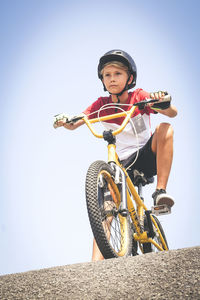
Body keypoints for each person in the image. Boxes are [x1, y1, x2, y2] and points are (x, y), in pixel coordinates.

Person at [54, 49, 178, 261]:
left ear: (129, 78)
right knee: (104, 210)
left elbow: (172, 112)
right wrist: (65, 121)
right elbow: (76, 123)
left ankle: (160, 192)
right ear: (102, 79)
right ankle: (95, 267)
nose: (112, 79)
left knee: (165, 128)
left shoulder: (138, 97)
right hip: (119, 166)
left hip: (145, 156)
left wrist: (160, 101)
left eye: (117, 74)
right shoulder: (100, 105)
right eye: (107, 75)